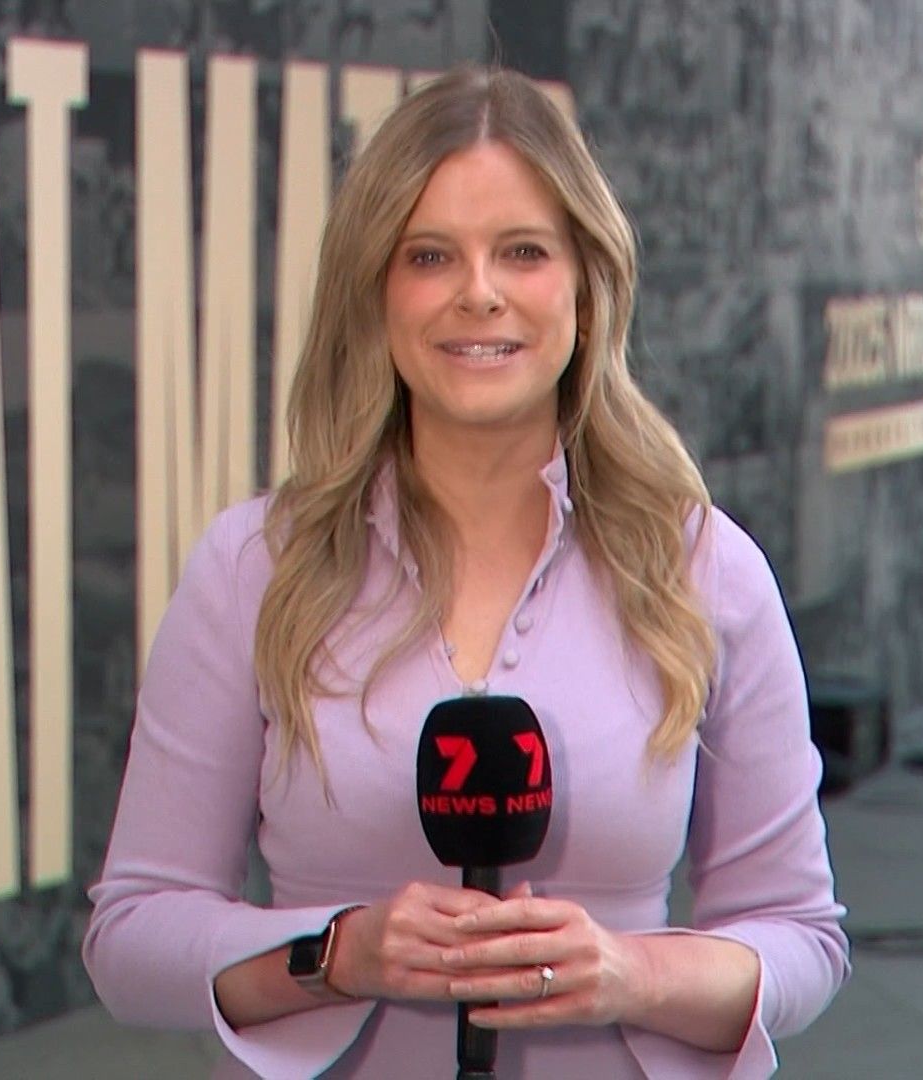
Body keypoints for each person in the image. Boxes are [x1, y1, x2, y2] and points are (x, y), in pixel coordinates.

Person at [82, 67, 849, 1078]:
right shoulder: (254, 568)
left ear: (585, 286)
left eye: (523, 251)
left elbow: (802, 938)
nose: (478, 291)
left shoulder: (705, 570)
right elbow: (131, 941)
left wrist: (633, 974)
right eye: (429, 255)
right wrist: (340, 955)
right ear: (375, 292)